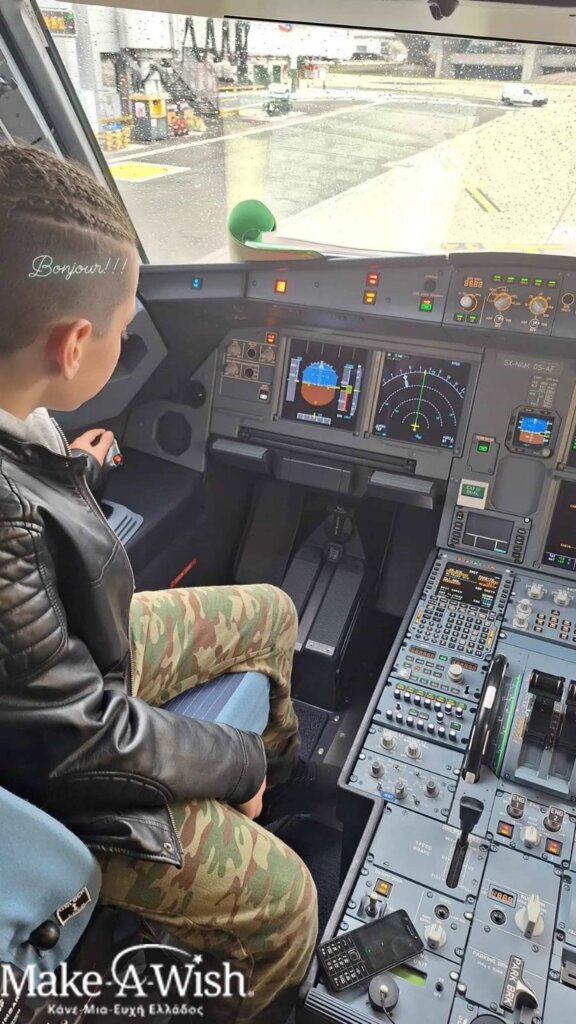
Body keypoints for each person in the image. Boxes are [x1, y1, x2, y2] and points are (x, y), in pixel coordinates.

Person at [0, 140, 318, 1023]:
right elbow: (81, 748)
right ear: (73, 345)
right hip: (48, 783)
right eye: (122, 321)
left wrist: (69, 473)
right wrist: (236, 762)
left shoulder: (19, 436)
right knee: (289, 906)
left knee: (270, 612)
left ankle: (283, 790)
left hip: (59, 674)